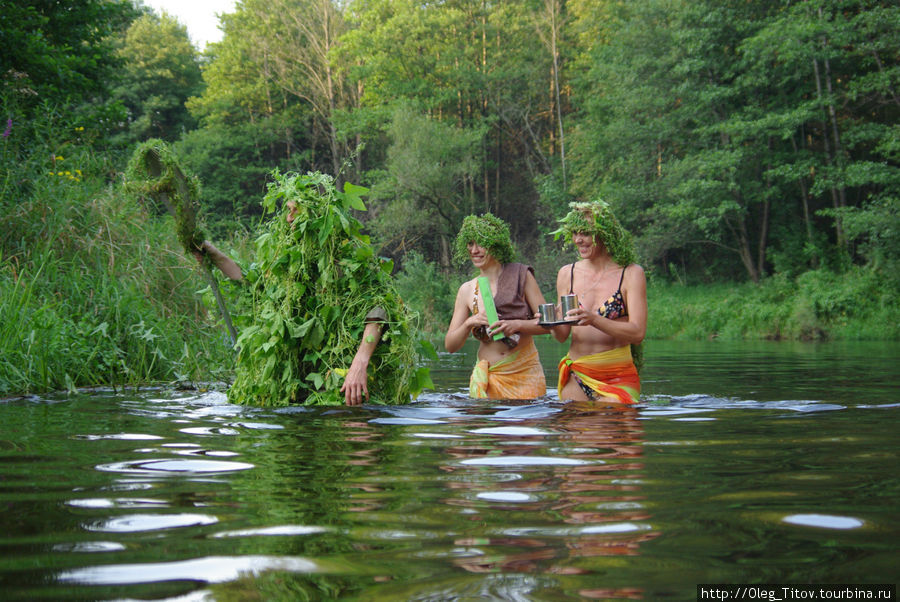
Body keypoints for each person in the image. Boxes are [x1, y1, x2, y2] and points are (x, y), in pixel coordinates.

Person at [194, 175, 419, 407]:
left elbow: (379, 308)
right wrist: (210, 251)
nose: (289, 218)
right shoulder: (287, 263)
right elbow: (252, 281)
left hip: (344, 381)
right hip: (305, 385)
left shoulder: (343, 255)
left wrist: (359, 364)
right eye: (287, 211)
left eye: (295, 211)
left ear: (314, 214)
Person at [547, 201, 647, 404]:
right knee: (577, 430)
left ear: (605, 233)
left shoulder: (630, 273)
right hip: (578, 374)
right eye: (574, 233)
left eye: (585, 233)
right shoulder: (567, 273)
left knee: (607, 425)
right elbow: (561, 336)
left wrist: (594, 319)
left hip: (617, 375)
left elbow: (637, 333)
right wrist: (550, 322)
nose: (578, 239)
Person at [444, 213, 548, 399]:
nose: (474, 250)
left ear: (496, 244)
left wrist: (517, 325)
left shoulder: (522, 276)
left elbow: (550, 325)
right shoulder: (467, 289)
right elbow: (450, 346)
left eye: (481, 243)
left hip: (525, 375)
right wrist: (470, 322)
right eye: (470, 243)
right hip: (488, 378)